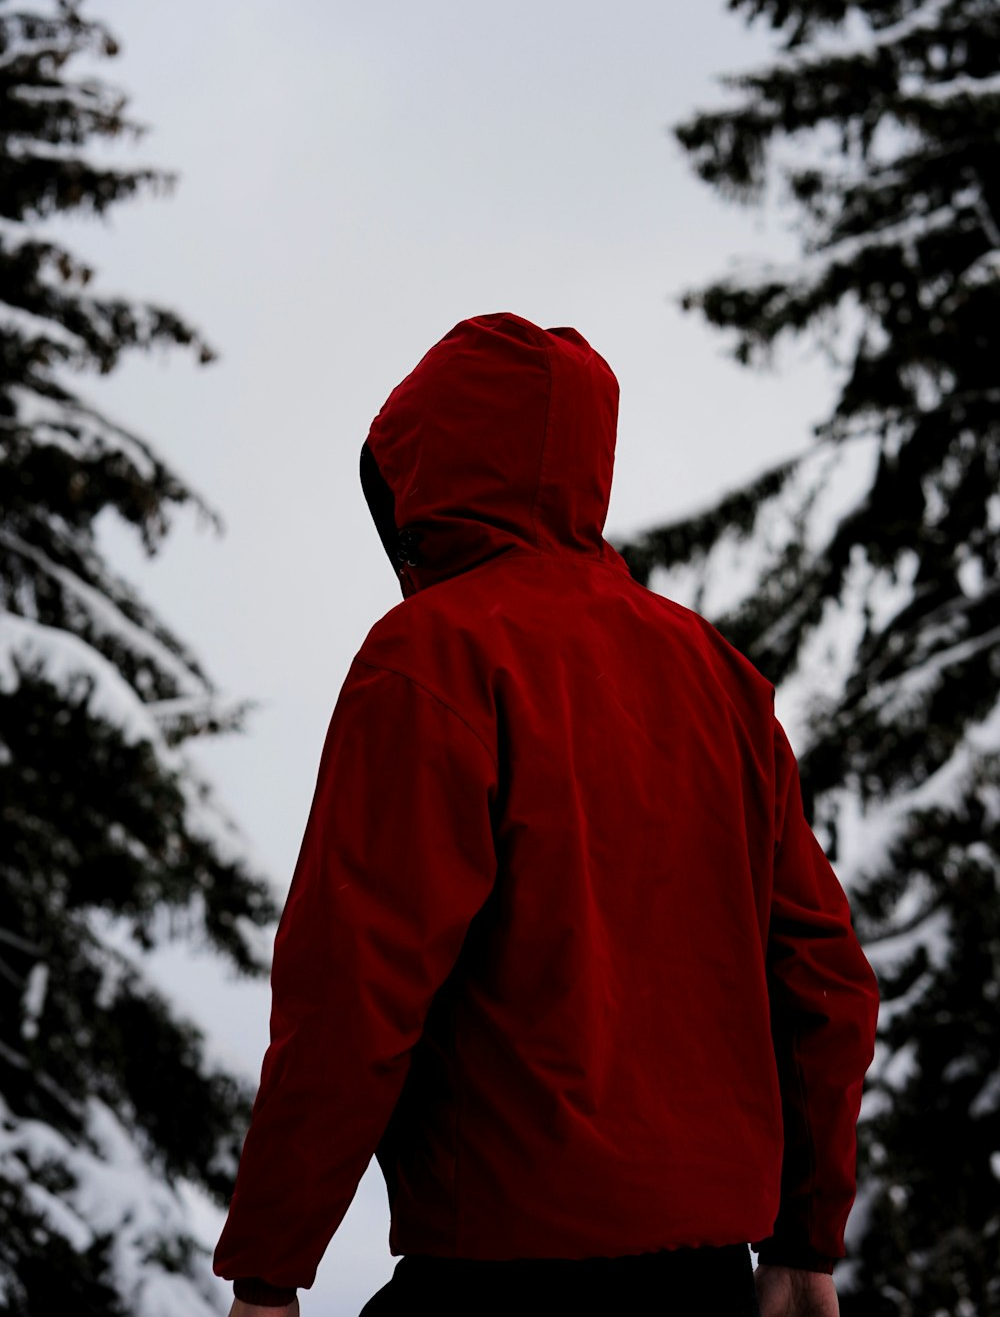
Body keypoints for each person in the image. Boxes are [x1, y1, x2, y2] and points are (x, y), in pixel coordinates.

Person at [213, 313, 880, 1317]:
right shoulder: (719, 677)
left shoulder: (428, 657)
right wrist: (803, 1240)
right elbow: (826, 978)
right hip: (708, 1281)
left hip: (497, 1273)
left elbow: (355, 985)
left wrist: (270, 1268)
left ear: (420, 479)